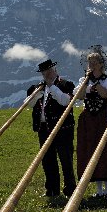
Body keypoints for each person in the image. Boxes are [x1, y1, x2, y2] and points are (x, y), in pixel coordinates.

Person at [74, 50, 107, 200]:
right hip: (88, 119)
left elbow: (106, 94)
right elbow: (80, 96)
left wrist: (94, 84)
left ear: (101, 64)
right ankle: (98, 189)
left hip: (104, 117)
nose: (91, 66)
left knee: (106, 150)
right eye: (89, 63)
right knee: (90, 149)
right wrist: (86, 82)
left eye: (94, 63)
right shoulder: (83, 80)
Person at [27, 59, 76, 198]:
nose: (47, 73)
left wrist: (52, 87)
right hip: (44, 128)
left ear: (55, 69)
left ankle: (70, 190)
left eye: (49, 70)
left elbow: (65, 101)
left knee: (66, 159)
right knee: (48, 161)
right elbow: (28, 104)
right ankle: (52, 190)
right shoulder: (36, 87)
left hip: (63, 128)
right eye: (44, 72)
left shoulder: (66, 84)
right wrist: (36, 96)